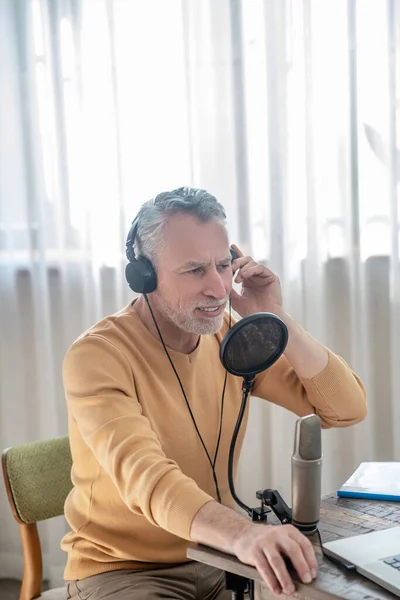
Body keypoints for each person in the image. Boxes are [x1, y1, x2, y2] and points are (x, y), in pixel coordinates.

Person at [63, 187, 367, 600]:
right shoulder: (97, 356)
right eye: (194, 271)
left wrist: (275, 318)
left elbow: (345, 409)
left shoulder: (230, 338)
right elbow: (146, 478)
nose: (219, 289)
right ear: (144, 275)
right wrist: (244, 535)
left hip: (215, 556)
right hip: (123, 571)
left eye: (223, 265)